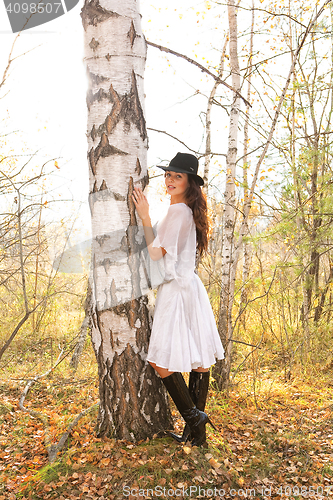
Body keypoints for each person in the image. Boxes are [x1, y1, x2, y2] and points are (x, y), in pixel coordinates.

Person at [132, 152, 224, 447]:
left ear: (190, 183)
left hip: (176, 290)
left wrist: (144, 217)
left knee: (161, 362)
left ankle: (194, 418)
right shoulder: (188, 210)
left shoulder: (178, 212)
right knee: (198, 362)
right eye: (168, 175)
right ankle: (196, 435)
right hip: (191, 287)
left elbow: (157, 254)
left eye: (177, 176)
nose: (170, 180)